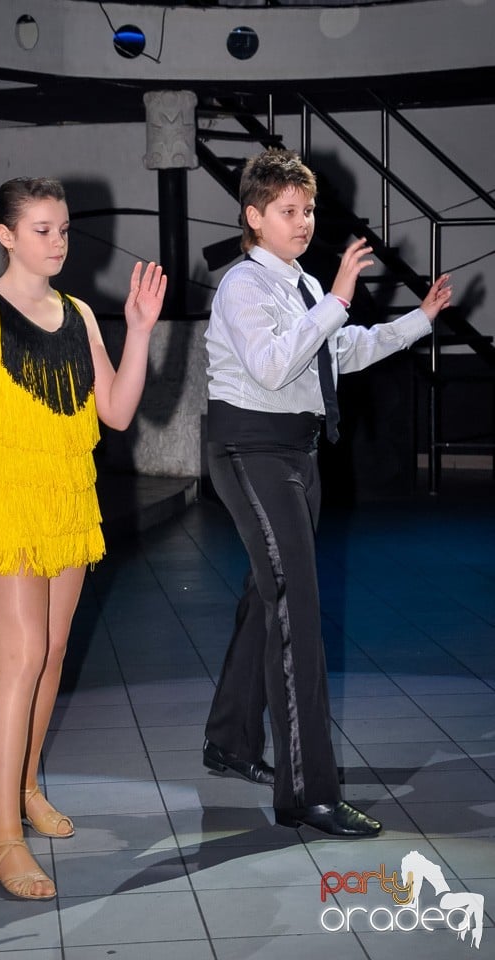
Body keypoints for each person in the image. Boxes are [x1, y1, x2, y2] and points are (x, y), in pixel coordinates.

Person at [202, 149, 451, 838]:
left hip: (296, 452)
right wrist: (338, 298)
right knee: (296, 609)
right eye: (289, 210)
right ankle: (307, 795)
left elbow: (338, 354)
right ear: (254, 217)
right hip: (251, 450)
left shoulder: (302, 284)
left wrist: (419, 320)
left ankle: (229, 739)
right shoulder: (243, 286)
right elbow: (274, 367)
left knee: (268, 596)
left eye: (308, 209)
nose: (304, 221)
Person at [0, 176, 166, 899]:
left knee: (54, 650)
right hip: (5, 492)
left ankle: (26, 788)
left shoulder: (79, 313)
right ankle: (1, 838)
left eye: (63, 228)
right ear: (5, 234)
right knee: (23, 653)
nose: (58, 240)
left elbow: (117, 412)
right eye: (41, 229)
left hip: (67, 494)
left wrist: (140, 330)